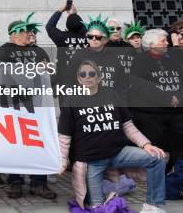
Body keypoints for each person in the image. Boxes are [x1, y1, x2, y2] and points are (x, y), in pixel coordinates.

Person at [59, 60, 168, 213]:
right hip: (92, 161)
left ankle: (154, 206)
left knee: (157, 158)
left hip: (118, 153)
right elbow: (64, 136)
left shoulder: (111, 95)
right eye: (83, 74)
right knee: (97, 207)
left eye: (92, 73)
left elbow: (128, 126)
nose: (87, 77)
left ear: (99, 77)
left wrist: (146, 145)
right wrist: (63, 161)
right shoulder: (71, 100)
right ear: (79, 79)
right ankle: (106, 190)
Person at [0, 13, 56, 200]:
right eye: (24, 31)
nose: (28, 34)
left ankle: (39, 183)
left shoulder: (38, 51)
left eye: (29, 31)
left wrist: (49, 68)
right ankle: (15, 181)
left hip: (37, 105)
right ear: (14, 34)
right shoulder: (2, 51)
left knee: (39, 142)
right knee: (16, 143)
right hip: (13, 104)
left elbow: (52, 73)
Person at [129, 29, 182, 173]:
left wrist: (178, 96)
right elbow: (140, 85)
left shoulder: (171, 58)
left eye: (166, 40)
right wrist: (166, 97)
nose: (167, 43)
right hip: (153, 114)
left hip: (176, 112)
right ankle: (160, 173)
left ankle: (175, 171)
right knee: (159, 144)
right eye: (163, 41)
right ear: (152, 45)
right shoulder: (140, 60)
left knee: (178, 143)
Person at [70, 15, 127, 95]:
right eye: (90, 36)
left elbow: (121, 83)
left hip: (109, 102)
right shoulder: (79, 55)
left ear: (105, 40)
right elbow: (69, 79)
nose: (93, 39)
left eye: (98, 37)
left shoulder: (114, 58)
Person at [46, 2, 88, 87]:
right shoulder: (89, 39)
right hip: (86, 80)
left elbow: (49, 26)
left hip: (65, 82)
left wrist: (61, 10)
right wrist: (75, 15)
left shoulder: (62, 37)